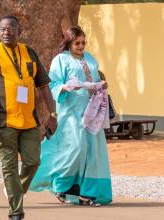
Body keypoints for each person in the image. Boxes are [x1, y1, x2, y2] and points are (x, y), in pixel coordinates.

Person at [0, 15, 57, 220]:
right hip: (4, 122)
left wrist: (53, 114)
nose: (6, 32)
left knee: (33, 161)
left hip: (29, 120)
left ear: (18, 31)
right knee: (9, 166)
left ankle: (15, 188)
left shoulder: (28, 52)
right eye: (2, 29)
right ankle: (16, 211)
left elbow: (43, 85)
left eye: (11, 29)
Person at [29, 26, 113, 206]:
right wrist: (65, 87)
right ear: (68, 43)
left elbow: (95, 79)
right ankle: (61, 184)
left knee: (92, 153)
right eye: (77, 43)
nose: (81, 46)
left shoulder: (90, 58)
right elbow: (52, 85)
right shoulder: (61, 59)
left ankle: (87, 193)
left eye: (83, 43)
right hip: (71, 113)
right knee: (75, 150)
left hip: (91, 112)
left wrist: (101, 84)